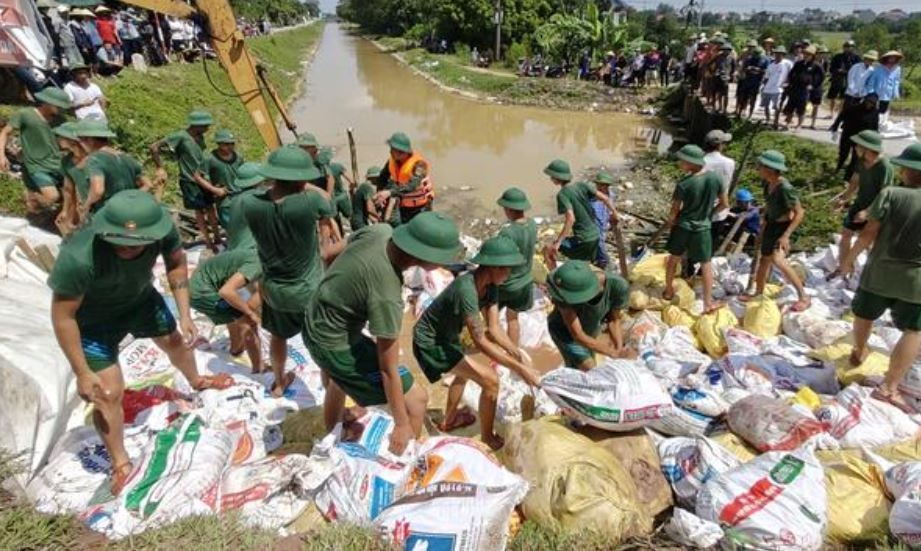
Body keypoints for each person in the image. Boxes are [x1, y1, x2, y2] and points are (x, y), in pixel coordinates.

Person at [49, 190, 232, 495]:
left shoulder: (163, 231)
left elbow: (176, 264)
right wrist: (82, 371)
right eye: (120, 240)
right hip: (93, 323)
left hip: (140, 301)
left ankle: (197, 379)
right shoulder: (78, 258)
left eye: (137, 243)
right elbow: (63, 317)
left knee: (175, 340)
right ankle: (120, 464)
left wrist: (185, 313)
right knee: (107, 392)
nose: (128, 248)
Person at [304, 213, 462, 454]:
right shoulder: (387, 292)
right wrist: (400, 423)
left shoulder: (379, 231)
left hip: (314, 318)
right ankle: (404, 461)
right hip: (335, 344)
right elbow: (388, 369)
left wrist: (340, 293)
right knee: (416, 401)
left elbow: (327, 255)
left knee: (338, 379)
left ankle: (332, 432)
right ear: (424, 258)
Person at [414, 236, 540, 449]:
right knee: (490, 381)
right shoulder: (467, 290)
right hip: (430, 342)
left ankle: (448, 420)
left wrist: (515, 352)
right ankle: (488, 437)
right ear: (492, 267)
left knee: (464, 374)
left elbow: (494, 328)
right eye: (506, 269)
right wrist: (519, 368)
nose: (509, 274)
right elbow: (480, 340)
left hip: (448, 336)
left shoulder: (491, 286)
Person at [244, 146, 339, 398]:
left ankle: (278, 381)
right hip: (308, 290)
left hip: (274, 289)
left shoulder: (250, 205)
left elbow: (269, 195)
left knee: (278, 337)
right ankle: (329, 388)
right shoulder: (310, 202)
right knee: (322, 342)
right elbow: (325, 201)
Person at [838, 144, 921, 413]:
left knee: (865, 313)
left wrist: (849, 259)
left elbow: (868, 233)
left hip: (880, 272)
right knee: (914, 329)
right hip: (915, 280)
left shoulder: (891, 194)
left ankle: (859, 351)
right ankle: (889, 387)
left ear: (909, 170)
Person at [662, 145, 727, 313]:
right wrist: (708, 214)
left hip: (683, 226)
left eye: (682, 161)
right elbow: (725, 204)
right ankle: (707, 302)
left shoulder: (684, 183)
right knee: (706, 264)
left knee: (673, 259)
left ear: (690, 163)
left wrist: (671, 223)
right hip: (703, 228)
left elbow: (673, 213)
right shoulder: (715, 179)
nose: (680, 163)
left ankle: (668, 291)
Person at [744, 150, 810, 311]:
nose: (758, 169)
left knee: (778, 260)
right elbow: (768, 208)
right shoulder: (768, 184)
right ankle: (758, 293)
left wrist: (786, 235)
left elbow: (799, 212)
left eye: (761, 166)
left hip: (782, 228)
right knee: (764, 260)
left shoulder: (785, 188)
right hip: (771, 225)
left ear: (770, 169)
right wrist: (762, 228)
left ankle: (803, 296)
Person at [150, 110, 222, 251]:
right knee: (199, 211)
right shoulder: (180, 137)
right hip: (189, 180)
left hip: (203, 178)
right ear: (196, 125)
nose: (207, 129)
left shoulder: (199, 137)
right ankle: (208, 241)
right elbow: (154, 147)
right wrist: (160, 167)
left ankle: (217, 237)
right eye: (205, 126)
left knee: (211, 208)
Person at [546, 260, 633, 370]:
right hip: (565, 333)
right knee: (590, 369)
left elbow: (614, 320)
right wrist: (610, 352)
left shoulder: (618, 287)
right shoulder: (563, 290)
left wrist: (619, 349)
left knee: (585, 365)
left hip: (590, 331)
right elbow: (577, 335)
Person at [190, 247, 264, 374]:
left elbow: (257, 294)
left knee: (234, 312)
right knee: (248, 324)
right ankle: (259, 368)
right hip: (202, 292)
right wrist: (250, 314)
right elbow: (226, 291)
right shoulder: (257, 264)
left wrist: (248, 311)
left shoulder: (258, 257)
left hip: (197, 285)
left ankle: (236, 348)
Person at [831, 130, 893, 277]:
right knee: (846, 234)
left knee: (868, 243)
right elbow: (854, 181)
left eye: (858, 146)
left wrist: (868, 212)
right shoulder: (860, 161)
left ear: (867, 148)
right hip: (859, 205)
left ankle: (873, 274)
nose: (855, 148)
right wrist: (844, 198)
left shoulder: (885, 167)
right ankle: (843, 268)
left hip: (875, 210)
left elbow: (886, 194)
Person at [0, 88, 71, 213]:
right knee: (52, 196)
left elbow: (63, 143)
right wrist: (1, 156)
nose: (61, 109)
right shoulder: (25, 114)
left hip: (57, 163)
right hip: (36, 165)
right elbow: (5, 132)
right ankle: (30, 199)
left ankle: (36, 209)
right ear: (47, 102)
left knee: (69, 194)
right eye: (58, 105)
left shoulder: (61, 121)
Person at [544, 159, 618, 268]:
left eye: (552, 176)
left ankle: (553, 279)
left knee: (548, 248)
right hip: (596, 236)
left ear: (557, 178)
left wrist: (559, 242)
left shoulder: (562, 194)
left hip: (584, 240)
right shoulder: (581, 185)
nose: (550, 179)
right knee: (588, 263)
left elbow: (571, 219)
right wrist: (615, 214)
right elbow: (605, 198)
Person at [79, 119, 151, 217]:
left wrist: (86, 205)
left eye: (81, 140)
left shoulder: (95, 159)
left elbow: (97, 190)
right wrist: (129, 199)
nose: (81, 144)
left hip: (107, 213)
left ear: (90, 140)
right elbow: (148, 185)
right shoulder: (128, 158)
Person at [496, 187, 538, 347]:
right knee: (512, 318)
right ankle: (513, 351)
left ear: (508, 209)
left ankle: (495, 349)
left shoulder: (508, 233)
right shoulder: (533, 225)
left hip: (507, 284)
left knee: (490, 318)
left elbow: (499, 261)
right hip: (525, 281)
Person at [374, 132, 434, 224]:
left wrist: (389, 192)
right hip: (404, 205)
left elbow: (412, 185)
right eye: (391, 149)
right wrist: (380, 193)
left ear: (402, 152)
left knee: (421, 233)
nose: (391, 152)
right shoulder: (392, 160)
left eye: (393, 150)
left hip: (421, 208)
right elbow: (383, 177)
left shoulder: (419, 164)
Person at [200, 129, 244, 227]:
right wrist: (214, 189)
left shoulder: (238, 157)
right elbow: (199, 178)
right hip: (225, 199)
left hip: (240, 197)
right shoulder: (210, 159)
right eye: (226, 144)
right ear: (219, 144)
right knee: (230, 227)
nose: (230, 147)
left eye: (232, 144)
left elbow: (244, 175)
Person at [833, 93, 880, 180]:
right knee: (843, 154)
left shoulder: (874, 113)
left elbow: (875, 127)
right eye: (868, 102)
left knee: (856, 158)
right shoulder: (854, 108)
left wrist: (874, 139)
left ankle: (847, 176)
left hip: (861, 139)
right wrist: (835, 127)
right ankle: (838, 169)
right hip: (848, 134)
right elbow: (841, 116)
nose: (869, 104)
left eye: (872, 103)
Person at [54, 122, 88, 235]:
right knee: (66, 226)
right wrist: (65, 211)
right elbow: (68, 189)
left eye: (61, 137)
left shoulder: (94, 160)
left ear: (72, 141)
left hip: (95, 203)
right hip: (80, 203)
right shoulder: (67, 161)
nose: (58, 139)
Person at [223, 162, 264, 250]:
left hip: (233, 249)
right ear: (258, 181)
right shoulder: (261, 197)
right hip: (251, 251)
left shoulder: (234, 200)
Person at [784, 46, 823, 131]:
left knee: (801, 108)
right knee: (790, 106)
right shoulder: (798, 63)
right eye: (805, 53)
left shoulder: (816, 65)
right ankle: (787, 123)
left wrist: (812, 85)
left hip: (804, 90)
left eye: (808, 54)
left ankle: (799, 125)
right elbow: (791, 74)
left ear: (812, 56)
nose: (806, 55)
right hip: (795, 88)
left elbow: (819, 78)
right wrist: (790, 82)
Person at [864, 51, 902, 122]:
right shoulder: (879, 68)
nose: (892, 59)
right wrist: (871, 91)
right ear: (887, 58)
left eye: (894, 58)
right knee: (871, 110)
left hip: (887, 93)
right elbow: (872, 80)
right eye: (891, 57)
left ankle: (878, 124)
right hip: (876, 92)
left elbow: (896, 81)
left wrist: (896, 93)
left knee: (882, 111)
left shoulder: (897, 69)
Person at [590, 171, 617, 269]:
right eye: (600, 185)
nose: (603, 187)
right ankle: (604, 260)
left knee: (601, 241)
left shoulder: (611, 195)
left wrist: (612, 216)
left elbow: (611, 208)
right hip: (594, 224)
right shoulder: (592, 197)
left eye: (605, 185)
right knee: (598, 241)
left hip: (604, 223)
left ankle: (602, 262)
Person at [827, 40, 861, 118]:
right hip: (837, 79)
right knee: (833, 96)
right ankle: (831, 113)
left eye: (850, 47)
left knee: (843, 98)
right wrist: (837, 70)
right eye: (847, 47)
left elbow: (858, 70)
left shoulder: (856, 58)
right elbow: (831, 68)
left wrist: (847, 72)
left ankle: (840, 113)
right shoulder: (838, 56)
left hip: (849, 80)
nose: (848, 48)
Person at [761, 45, 791, 126]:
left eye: (780, 54)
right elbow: (766, 77)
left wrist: (787, 83)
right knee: (766, 105)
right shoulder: (771, 65)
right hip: (768, 88)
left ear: (783, 55)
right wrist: (763, 86)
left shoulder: (787, 64)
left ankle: (776, 122)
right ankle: (767, 120)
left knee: (777, 106)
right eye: (777, 53)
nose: (778, 55)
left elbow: (791, 74)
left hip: (778, 89)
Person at [736, 46, 768, 119]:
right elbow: (743, 69)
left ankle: (750, 115)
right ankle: (740, 112)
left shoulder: (764, 60)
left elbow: (766, 71)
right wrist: (748, 68)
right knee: (743, 98)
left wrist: (758, 70)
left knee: (753, 99)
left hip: (756, 83)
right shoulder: (749, 59)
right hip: (747, 81)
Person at [350, 166, 380, 231]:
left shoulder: (362, 186)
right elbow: (370, 208)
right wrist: (379, 217)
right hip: (360, 221)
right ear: (375, 178)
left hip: (355, 219)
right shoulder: (368, 188)